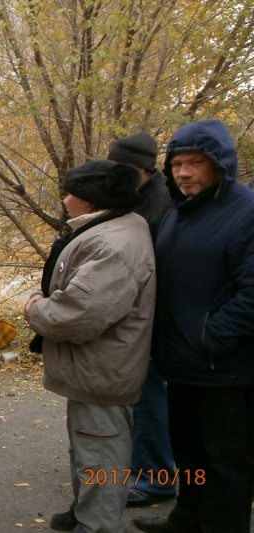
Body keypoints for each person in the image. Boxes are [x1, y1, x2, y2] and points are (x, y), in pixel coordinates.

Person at [133, 120, 254, 533]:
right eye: (178, 163)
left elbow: (252, 292)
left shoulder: (246, 211)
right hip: (181, 362)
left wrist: (212, 337)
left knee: (227, 462)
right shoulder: (179, 212)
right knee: (190, 453)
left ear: (220, 163)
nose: (184, 172)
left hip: (225, 367)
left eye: (195, 163)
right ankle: (187, 518)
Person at [25, 160, 156, 533]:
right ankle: (86, 508)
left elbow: (77, 315)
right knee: (90, 447)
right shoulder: (115, 228)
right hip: (96, 366)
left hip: (102, 367)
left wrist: (35, 307)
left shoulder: (112, 243)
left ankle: (96, 523)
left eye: (71, 194)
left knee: (100, 453)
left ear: (91, 200)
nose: (65, 200)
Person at [106, 132, 176, 507]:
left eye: (120, 167)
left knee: (149, 400)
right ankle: (145, 469)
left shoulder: (159, 206)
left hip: (152, 320)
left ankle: (156, 477)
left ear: (141, 169)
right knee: (143, 399)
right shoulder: (142, 200)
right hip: (144, 318)